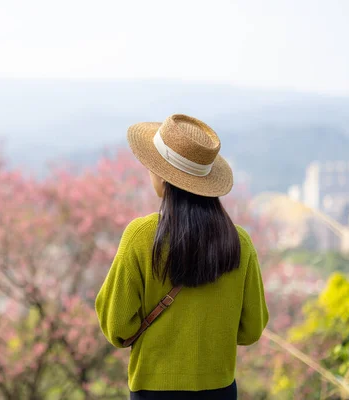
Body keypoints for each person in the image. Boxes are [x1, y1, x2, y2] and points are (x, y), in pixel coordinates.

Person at [95, 114, 269, 399]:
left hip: (152, 390)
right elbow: (251, 330)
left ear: (164, 176)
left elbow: (117, 327)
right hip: (220, 390)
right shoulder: (240, 242)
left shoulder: (141, 236)